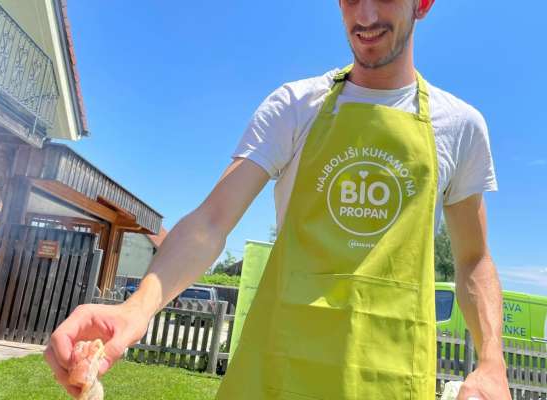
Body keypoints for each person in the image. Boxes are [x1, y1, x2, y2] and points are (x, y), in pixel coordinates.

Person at [45, 1, 511, 399]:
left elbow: (473, 259)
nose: (365, 15)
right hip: (276, 372)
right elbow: (212, 221)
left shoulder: (461, 127)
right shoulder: (295, 105)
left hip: (388, 378)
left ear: (423, 3)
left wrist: (493, 362)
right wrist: (136, 309)